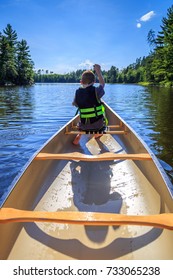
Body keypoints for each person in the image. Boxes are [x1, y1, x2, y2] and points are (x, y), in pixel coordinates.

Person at [72, 64, 106, 145]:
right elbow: (102, 84)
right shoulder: (96, 91)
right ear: (94, 82)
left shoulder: (77, 92)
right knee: (102, 112)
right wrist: (98, 71)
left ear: (81, 82)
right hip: (98, 126)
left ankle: (78, 136)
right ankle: (98, 134)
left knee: (81, 123)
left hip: (83, 126)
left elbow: (75, 104)